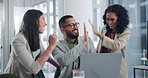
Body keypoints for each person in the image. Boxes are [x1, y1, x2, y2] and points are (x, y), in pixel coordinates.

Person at [4, 9, 58, 78]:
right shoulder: (18, 40)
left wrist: (59, 66)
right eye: (43, 19)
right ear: (35, 21)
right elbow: (34, 68)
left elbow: (46, 56)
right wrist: (51, 46)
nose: (46, 23)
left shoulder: (35, 37)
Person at [90, 4, 131, 78]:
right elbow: (100, 47)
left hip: (118, 69)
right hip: (103, 67)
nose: (109, 22)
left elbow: (117, 45)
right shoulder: (104, 29)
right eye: (107, 19)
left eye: (112, 19)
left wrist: (99, 35)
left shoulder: (126, 32)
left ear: (119, 19)